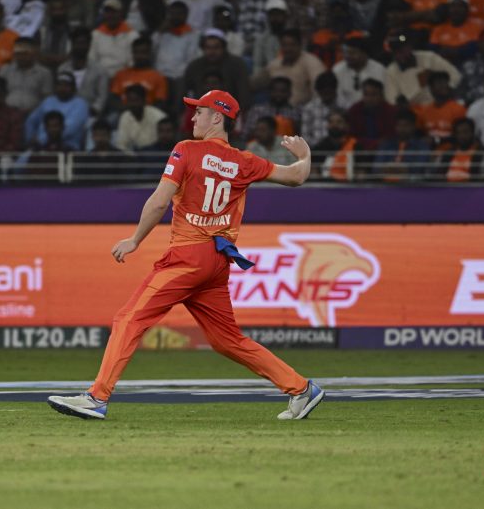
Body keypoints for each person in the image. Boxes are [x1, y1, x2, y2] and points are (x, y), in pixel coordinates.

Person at [47, 89, 324, 421]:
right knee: (227, 341)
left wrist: (135, 239)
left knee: (129, 319)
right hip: (218, 261)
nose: (192, 117)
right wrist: (305, 153)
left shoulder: (186, 150)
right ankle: (302, 389)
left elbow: (160, 201)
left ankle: (96, 397)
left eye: (199, 112)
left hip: (188, 258)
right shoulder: (245, 161)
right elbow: (297, 175)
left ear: (217, 117)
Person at [0, 37, 53, 113]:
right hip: (7, 114)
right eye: (18, 54)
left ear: (33, 53)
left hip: (33, 114)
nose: (21, 57)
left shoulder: (44, 73)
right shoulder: (5, 70)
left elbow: (47, 99)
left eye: (25, 54)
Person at [115, 83, 167, 151]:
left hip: (155, 155)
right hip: (134, 158)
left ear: (144, 100)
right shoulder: (125, 116)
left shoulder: (159, 116)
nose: (133, 104)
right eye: (130, 100)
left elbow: (164, 142)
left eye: (136, 100)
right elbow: (121, 145)